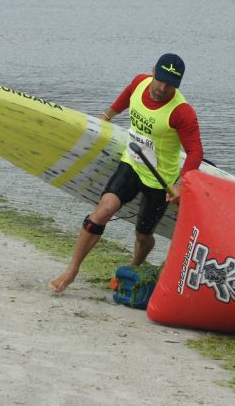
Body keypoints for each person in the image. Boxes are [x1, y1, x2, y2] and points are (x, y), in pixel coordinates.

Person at [49, 53, 203, 294]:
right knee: (103, 210)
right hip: (132, 161)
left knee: (143, 236)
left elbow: (195, 152)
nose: (162, 88)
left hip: (159, 179)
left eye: (170, 83)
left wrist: (181, 184)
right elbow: (127, 96)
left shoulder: (182, 112)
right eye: (160, 79)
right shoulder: (140, 82)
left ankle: (133, 266)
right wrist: (107, 116)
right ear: (153, 71)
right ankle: (72, 270)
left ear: (178, 83)